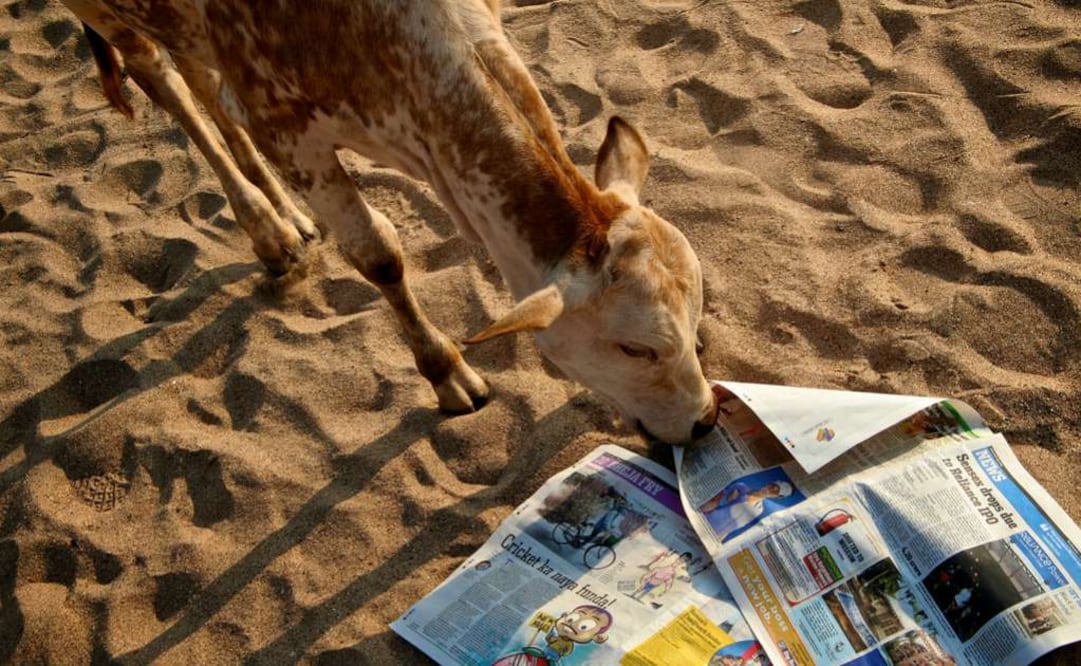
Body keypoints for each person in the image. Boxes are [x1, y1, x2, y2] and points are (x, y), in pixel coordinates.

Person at [699, 480, 793, 541]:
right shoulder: (741, 487)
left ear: (776, 497)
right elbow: (716, 500)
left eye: (774, 491)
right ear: (768, 484)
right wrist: (697, 514)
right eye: (772, 486)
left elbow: (731, 527)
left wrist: (717, 541)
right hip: (704, 519)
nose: (769, 490)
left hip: (713, 535)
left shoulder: (759, 510)